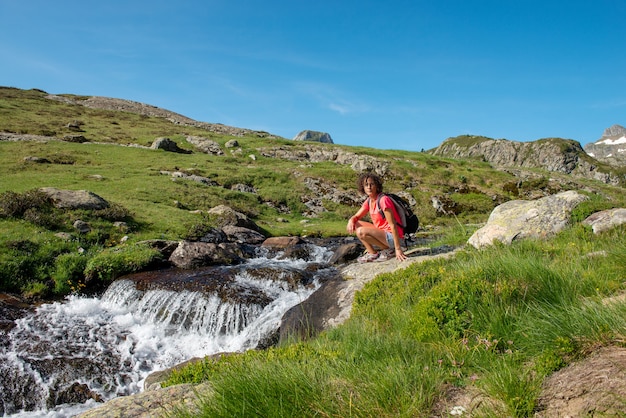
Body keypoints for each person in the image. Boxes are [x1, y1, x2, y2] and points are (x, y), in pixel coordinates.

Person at [346, 172, 407, 262]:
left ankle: (391, 250)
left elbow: (393, 225)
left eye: (372, 184)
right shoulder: (369, 201)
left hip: (394, 237)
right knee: (356, 224)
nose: (369, 187)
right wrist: (351, 220)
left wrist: (398, 249)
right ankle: (372, 253)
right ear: (362, 187)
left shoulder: (383, 200)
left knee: (361, 231)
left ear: (377, 186)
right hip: (383, 234)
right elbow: (356, 217)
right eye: (366, 185)